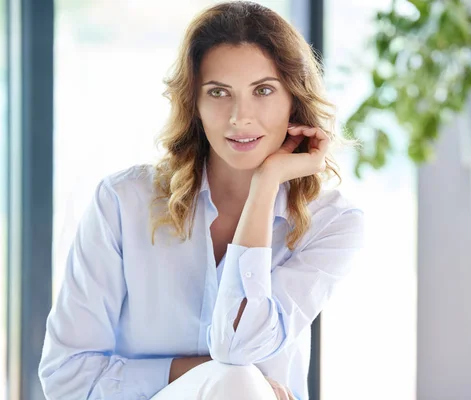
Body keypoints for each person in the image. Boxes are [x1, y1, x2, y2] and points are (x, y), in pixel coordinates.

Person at [38, 1, 365, 399]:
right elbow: (66, 377)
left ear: (294, 99)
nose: (240, 117)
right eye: (218, 92)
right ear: (194, 104)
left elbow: (238, 344)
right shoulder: (123, 203)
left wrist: (265, 185)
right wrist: (210, 378)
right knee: (238, 380)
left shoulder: (332, 222)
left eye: (263, 90)